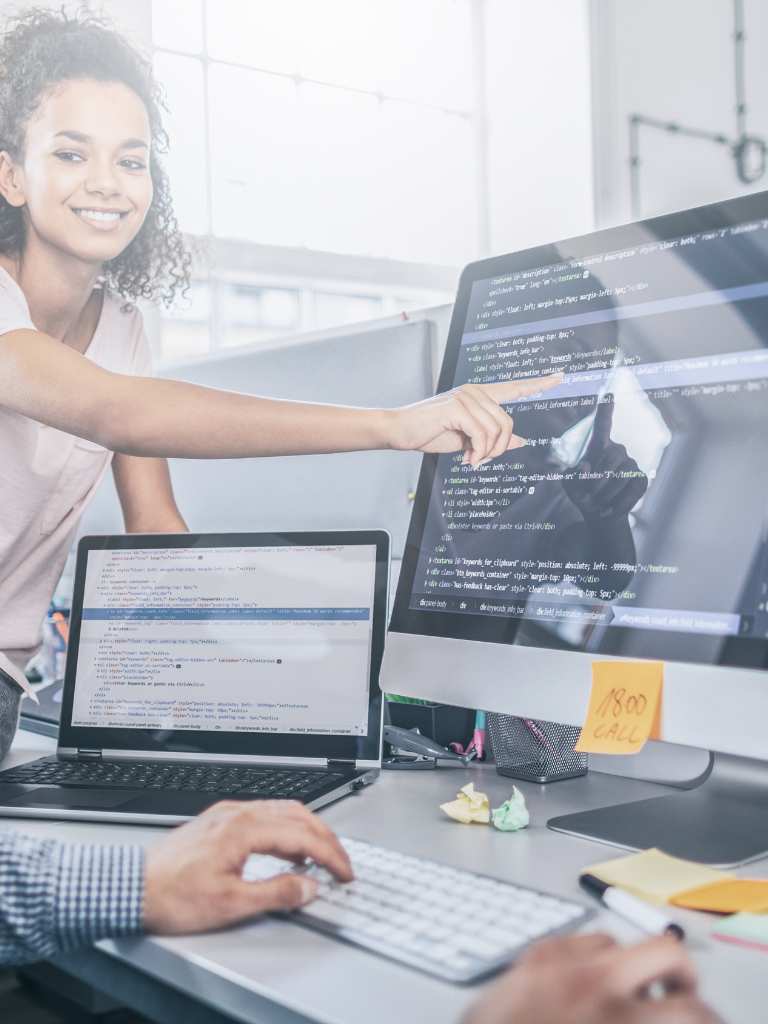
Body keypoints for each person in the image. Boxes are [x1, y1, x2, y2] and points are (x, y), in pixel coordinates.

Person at [0, 11, 722, 1022]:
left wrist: (239, 693)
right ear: (11, 175)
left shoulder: (124, 322)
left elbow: (152, 525)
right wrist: (394, 422)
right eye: (69, 152)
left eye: (132, 157)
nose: (106, 181)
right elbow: (105, 406)